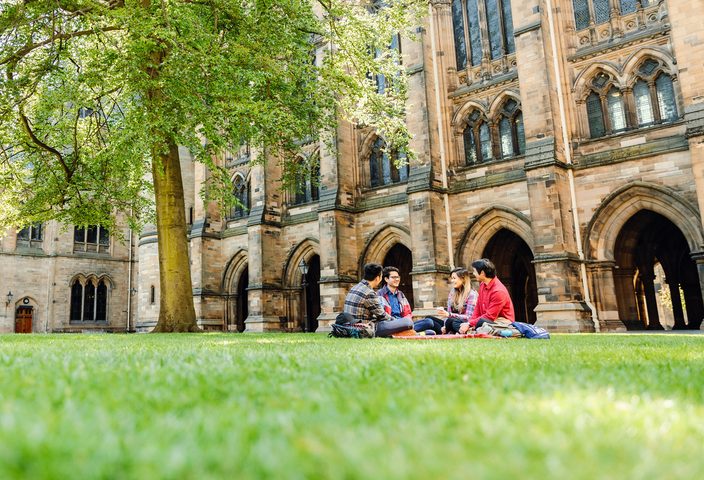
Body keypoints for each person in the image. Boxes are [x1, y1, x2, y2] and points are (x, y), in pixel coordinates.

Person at [342, 263, 414, 337]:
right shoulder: (369, 292)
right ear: (378, 278)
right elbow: (382, 316)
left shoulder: (355, 287)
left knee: (407, 322)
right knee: (407, 322)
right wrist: (398, 322)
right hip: (365, 328)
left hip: (350, 326)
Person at [413, 267, 478, 334]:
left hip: (461, 324)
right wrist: (445, 325)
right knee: (429, 318)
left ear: (463, 279)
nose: (452, 281)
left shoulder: (472, 294)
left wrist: (449, 315)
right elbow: (448, 315)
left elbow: (469, 317)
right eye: (451, 278)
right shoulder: (453, 292)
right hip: (449, 325)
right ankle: (408, 328)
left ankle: (431, 331)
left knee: (451, 321)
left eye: (454, 278)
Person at [458, 258, 515, 334]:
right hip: (485, 320)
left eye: (474, 271)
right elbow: (477, 308)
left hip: (501, 322)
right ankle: (472, 330)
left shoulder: (498, 291)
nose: (473, 273)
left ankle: (473, 331)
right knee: (454, 322)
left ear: (482, 273)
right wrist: (470, 323)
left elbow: (490, 316)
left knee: (480, 323)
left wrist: (469, 324)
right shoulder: (482, 285)